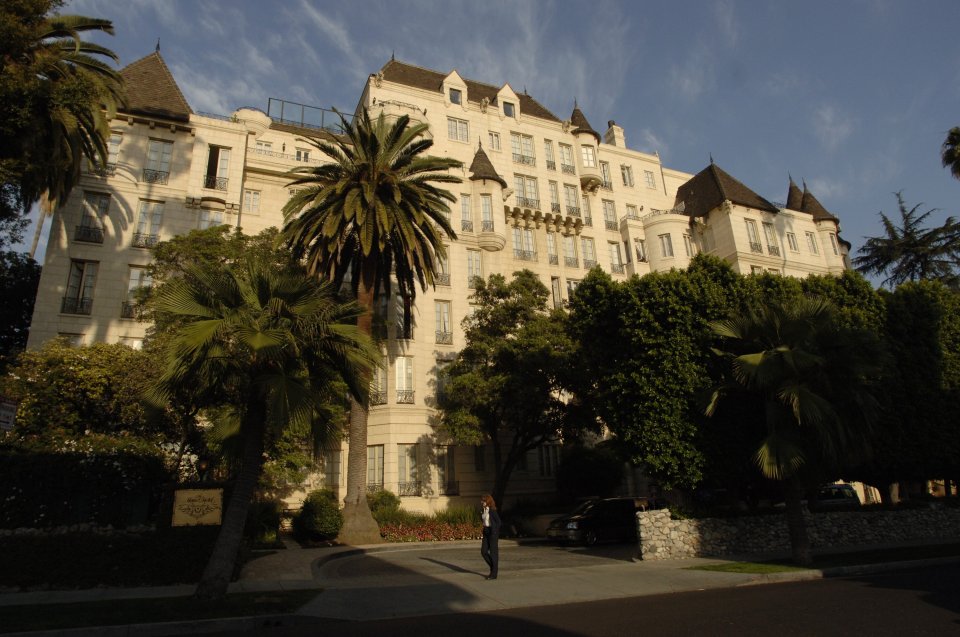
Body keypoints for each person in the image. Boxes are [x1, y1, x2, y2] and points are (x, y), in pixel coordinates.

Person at [480, 494, 501, 580]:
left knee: (493, 553)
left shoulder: (492, 511)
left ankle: (494, 574)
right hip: (486, 532)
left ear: (487, 501)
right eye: (482, 501)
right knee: (483, 551)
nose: (482, 502)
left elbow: (499, 522)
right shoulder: (483, 510)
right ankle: (493, 567)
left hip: (493, 533)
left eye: (483, 501)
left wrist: (495, 531)